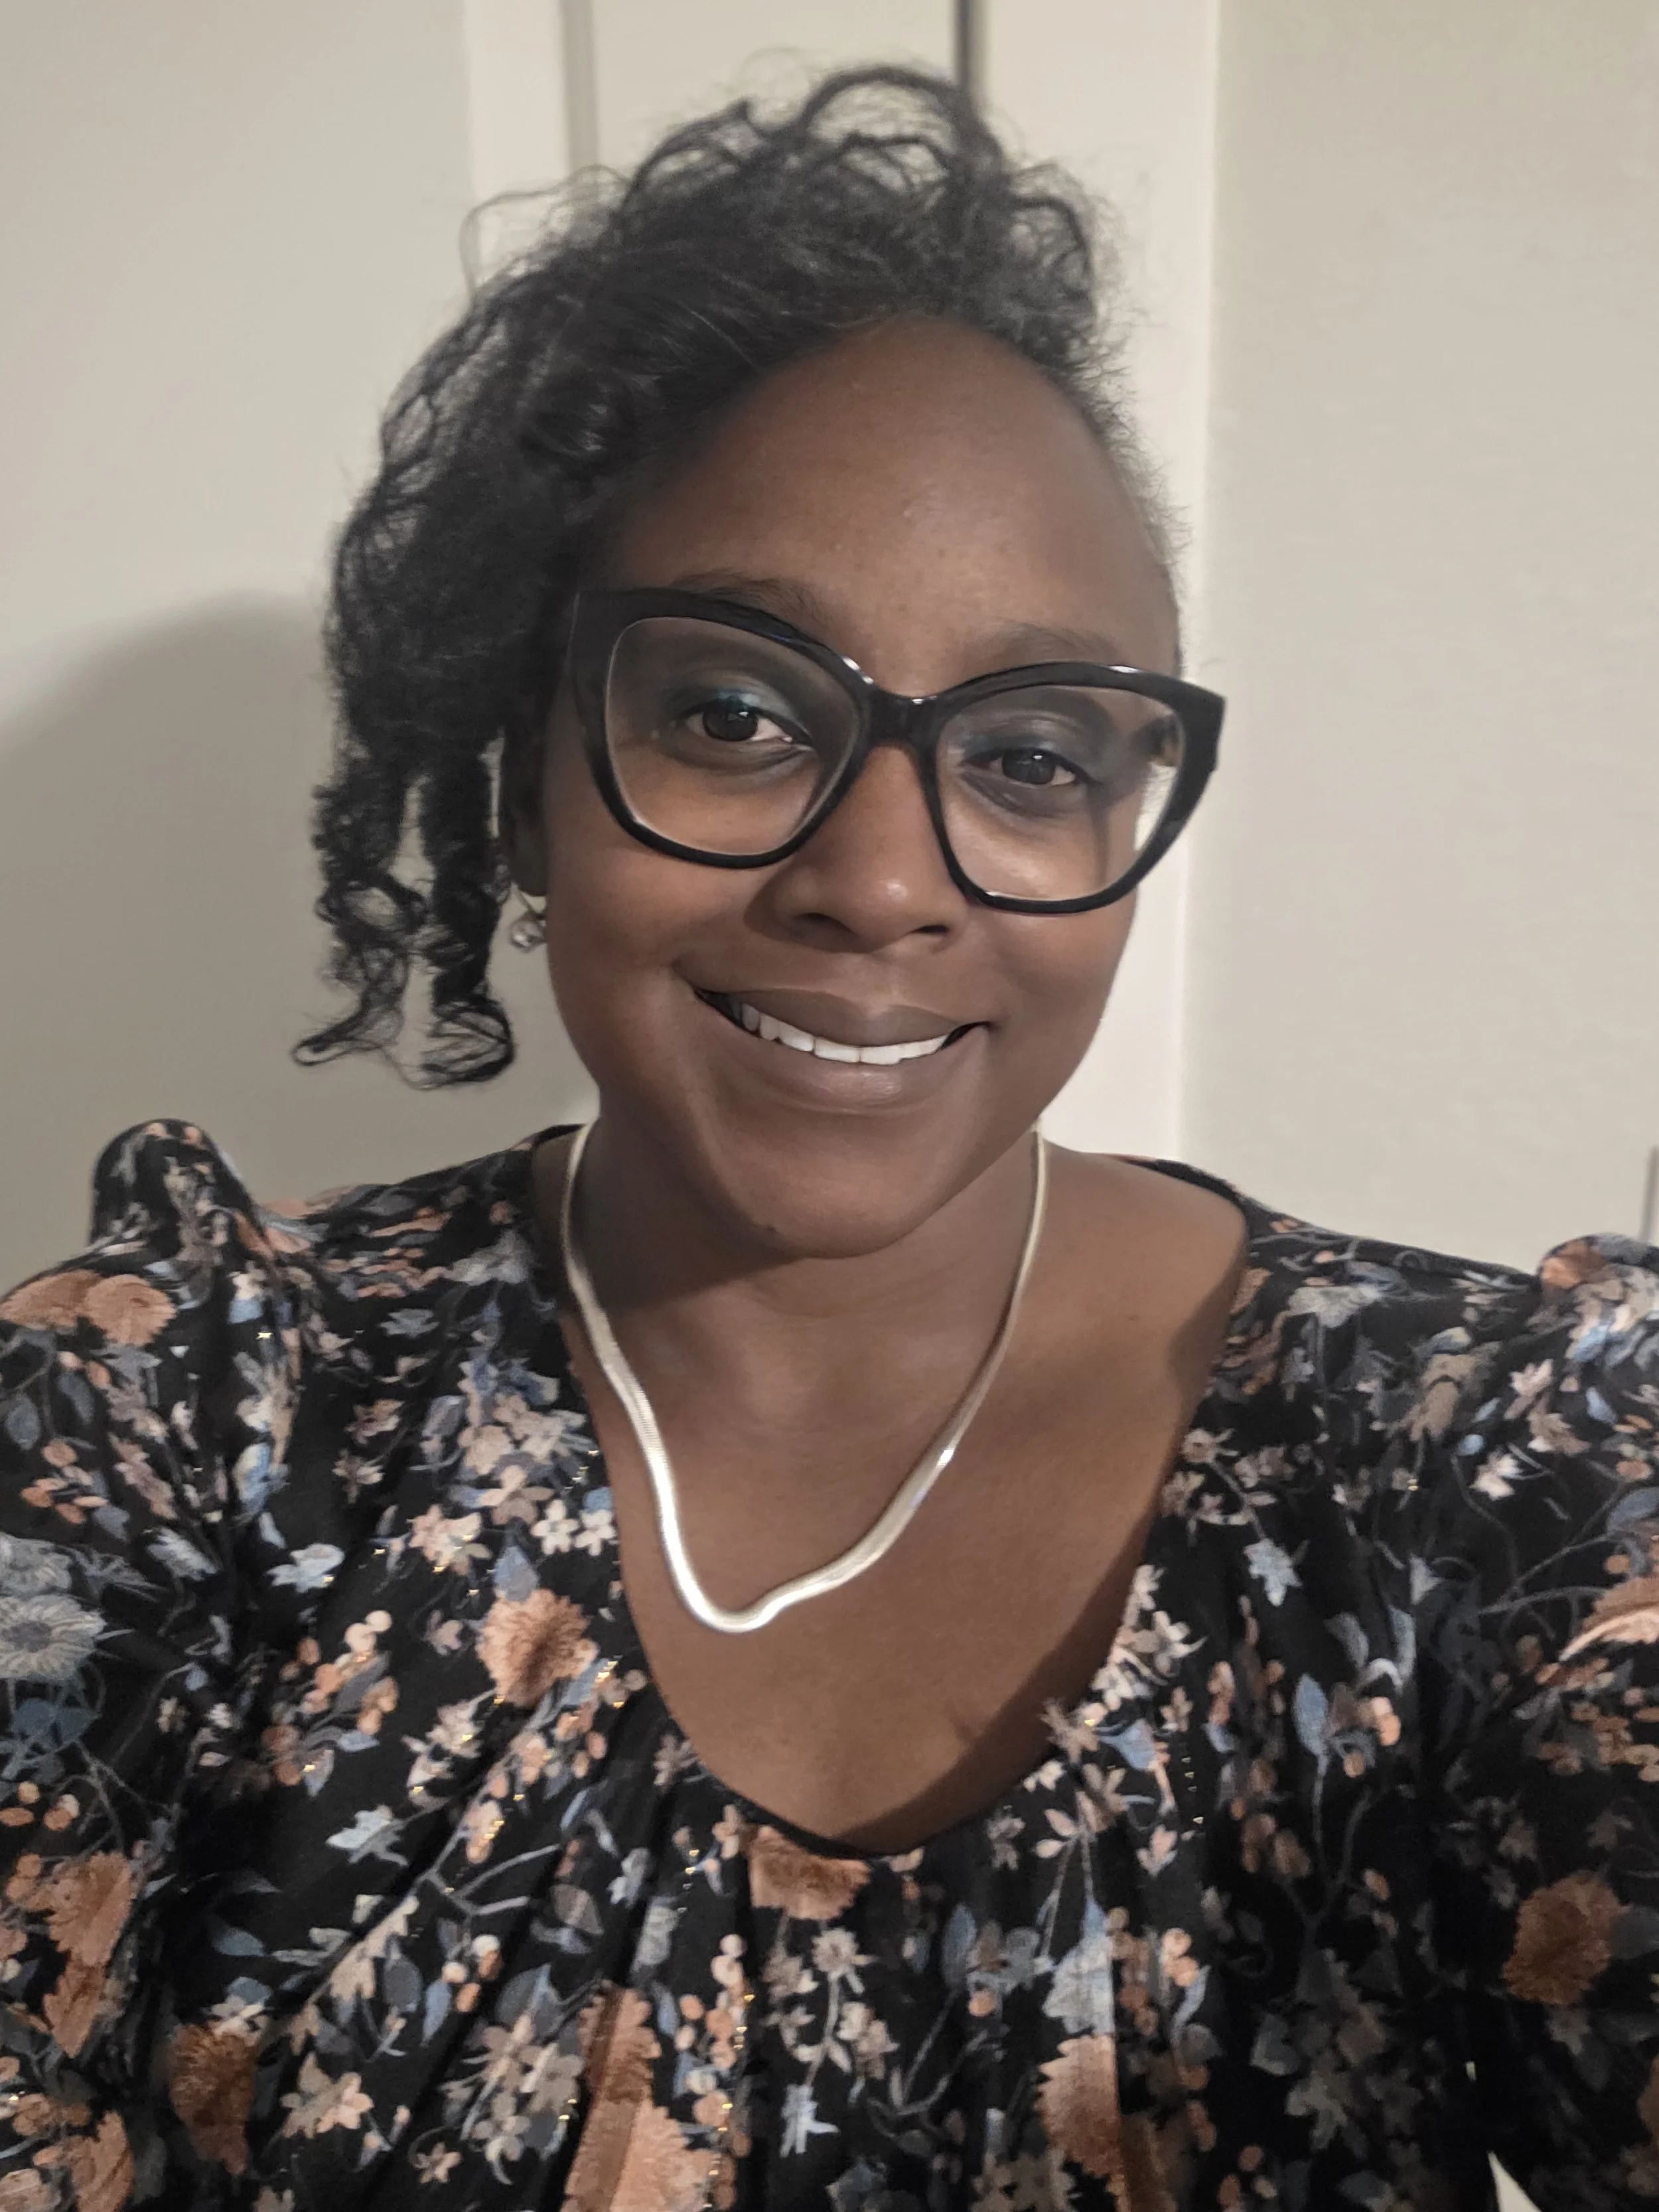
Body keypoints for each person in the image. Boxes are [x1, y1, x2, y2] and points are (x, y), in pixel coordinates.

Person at [0, 64, 1654, 2212]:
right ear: (523, 770)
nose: (885, 881)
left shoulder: (1477, 1475)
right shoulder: (182, 1415)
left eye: (1036, 750)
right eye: (733, 712)